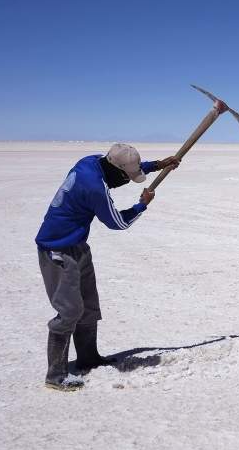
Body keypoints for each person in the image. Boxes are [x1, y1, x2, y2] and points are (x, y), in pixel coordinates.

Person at [34, 143, 180, 391]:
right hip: (56, 249)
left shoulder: (91, 162)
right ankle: (55, 375)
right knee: (69, 311)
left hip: (77, 245)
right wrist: (142, 205)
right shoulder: (94, 188)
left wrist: (156, 166)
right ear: (116, 170)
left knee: (89, 306)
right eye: (127, 175)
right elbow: (118, 223)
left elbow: (116, 175)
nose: (126, 179)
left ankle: (88, 358)